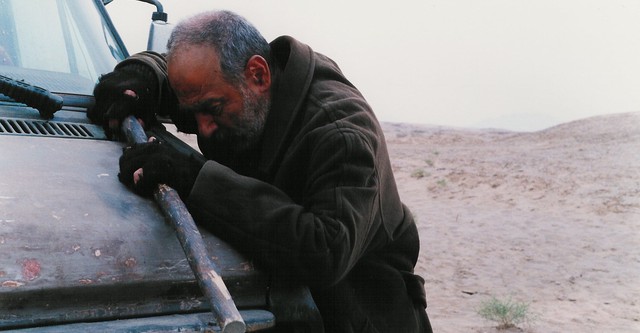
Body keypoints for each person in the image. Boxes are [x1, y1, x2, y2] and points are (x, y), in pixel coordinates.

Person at [90, 10, 432, 333]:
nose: (202, 129)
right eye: (192, 115)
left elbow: (326, 249)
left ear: (258, 75)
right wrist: (143, 74)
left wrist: (195, 179)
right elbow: (183, 77)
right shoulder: (237, 88)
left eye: (213, 111)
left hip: (364, 312)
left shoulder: (341, 133)